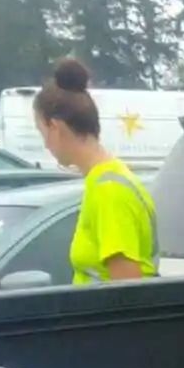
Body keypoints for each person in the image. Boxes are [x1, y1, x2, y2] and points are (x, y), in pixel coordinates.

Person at [31, 56, 157, 283]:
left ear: (56, 128)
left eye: (42, 133)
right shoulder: (104, 179)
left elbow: (127, 294)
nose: (46, 145)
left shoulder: (109, 191)